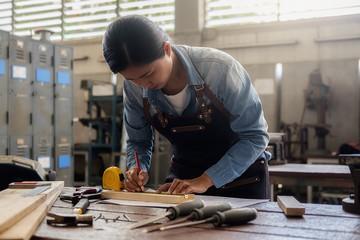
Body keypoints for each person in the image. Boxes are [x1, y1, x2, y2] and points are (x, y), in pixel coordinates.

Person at [102, 15, 271, 199]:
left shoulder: (220, 70)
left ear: (166, 49)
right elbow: (138, 141)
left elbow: (255, 136)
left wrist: (206, 180)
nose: (142, 84)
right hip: (183, 184)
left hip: (242, 182)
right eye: (132, 79)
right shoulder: (133, 88)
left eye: (148, 73)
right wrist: (137, 168)